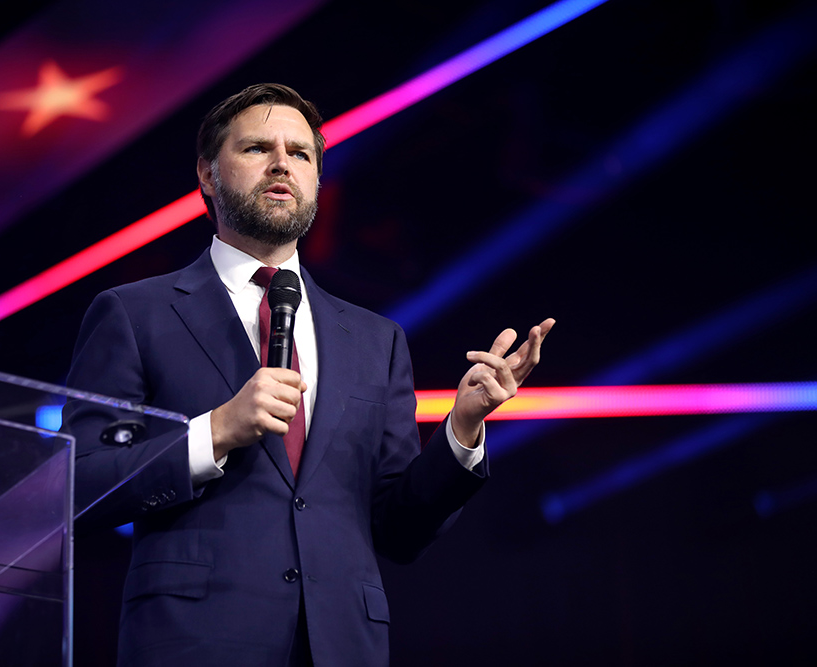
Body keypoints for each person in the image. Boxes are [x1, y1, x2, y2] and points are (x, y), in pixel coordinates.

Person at [66, 83, 554, 667]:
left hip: (341, 645)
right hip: (195, 642)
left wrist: (463, 429)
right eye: (256, 149)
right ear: (205, 174)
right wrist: (216, 430)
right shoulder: (133, 312)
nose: (282, 164)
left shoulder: (377, 340)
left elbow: (398, 529)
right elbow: (79, 486)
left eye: (301, 153)